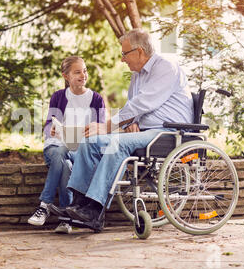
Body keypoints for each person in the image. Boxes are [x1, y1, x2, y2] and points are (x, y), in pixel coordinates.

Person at [64, 29, 194, 224]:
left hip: (169, 131)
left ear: (139, 51)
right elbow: (132, 107)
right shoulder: (137, 75)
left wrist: (107, 126)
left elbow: (142, 103)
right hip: (147, 131)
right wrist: (132, 122)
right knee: (91, 140)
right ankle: (78, 205)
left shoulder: (166, 67)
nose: (122, 59)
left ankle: (94, 210)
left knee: (116, 143)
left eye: (124, 54)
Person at [27, 56, 106, 233]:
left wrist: (92, 131)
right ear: (66, 76)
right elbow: (49, 124)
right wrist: (51, 130)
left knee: (67, 166)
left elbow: (101, 129)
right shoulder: (58, 97)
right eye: (77, 72)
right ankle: (56, 211)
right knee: (60, 152)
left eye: (85, 70)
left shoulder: (96, 99)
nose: (83, 75)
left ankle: (50, 210)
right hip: (56, 146)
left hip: (80, 151)